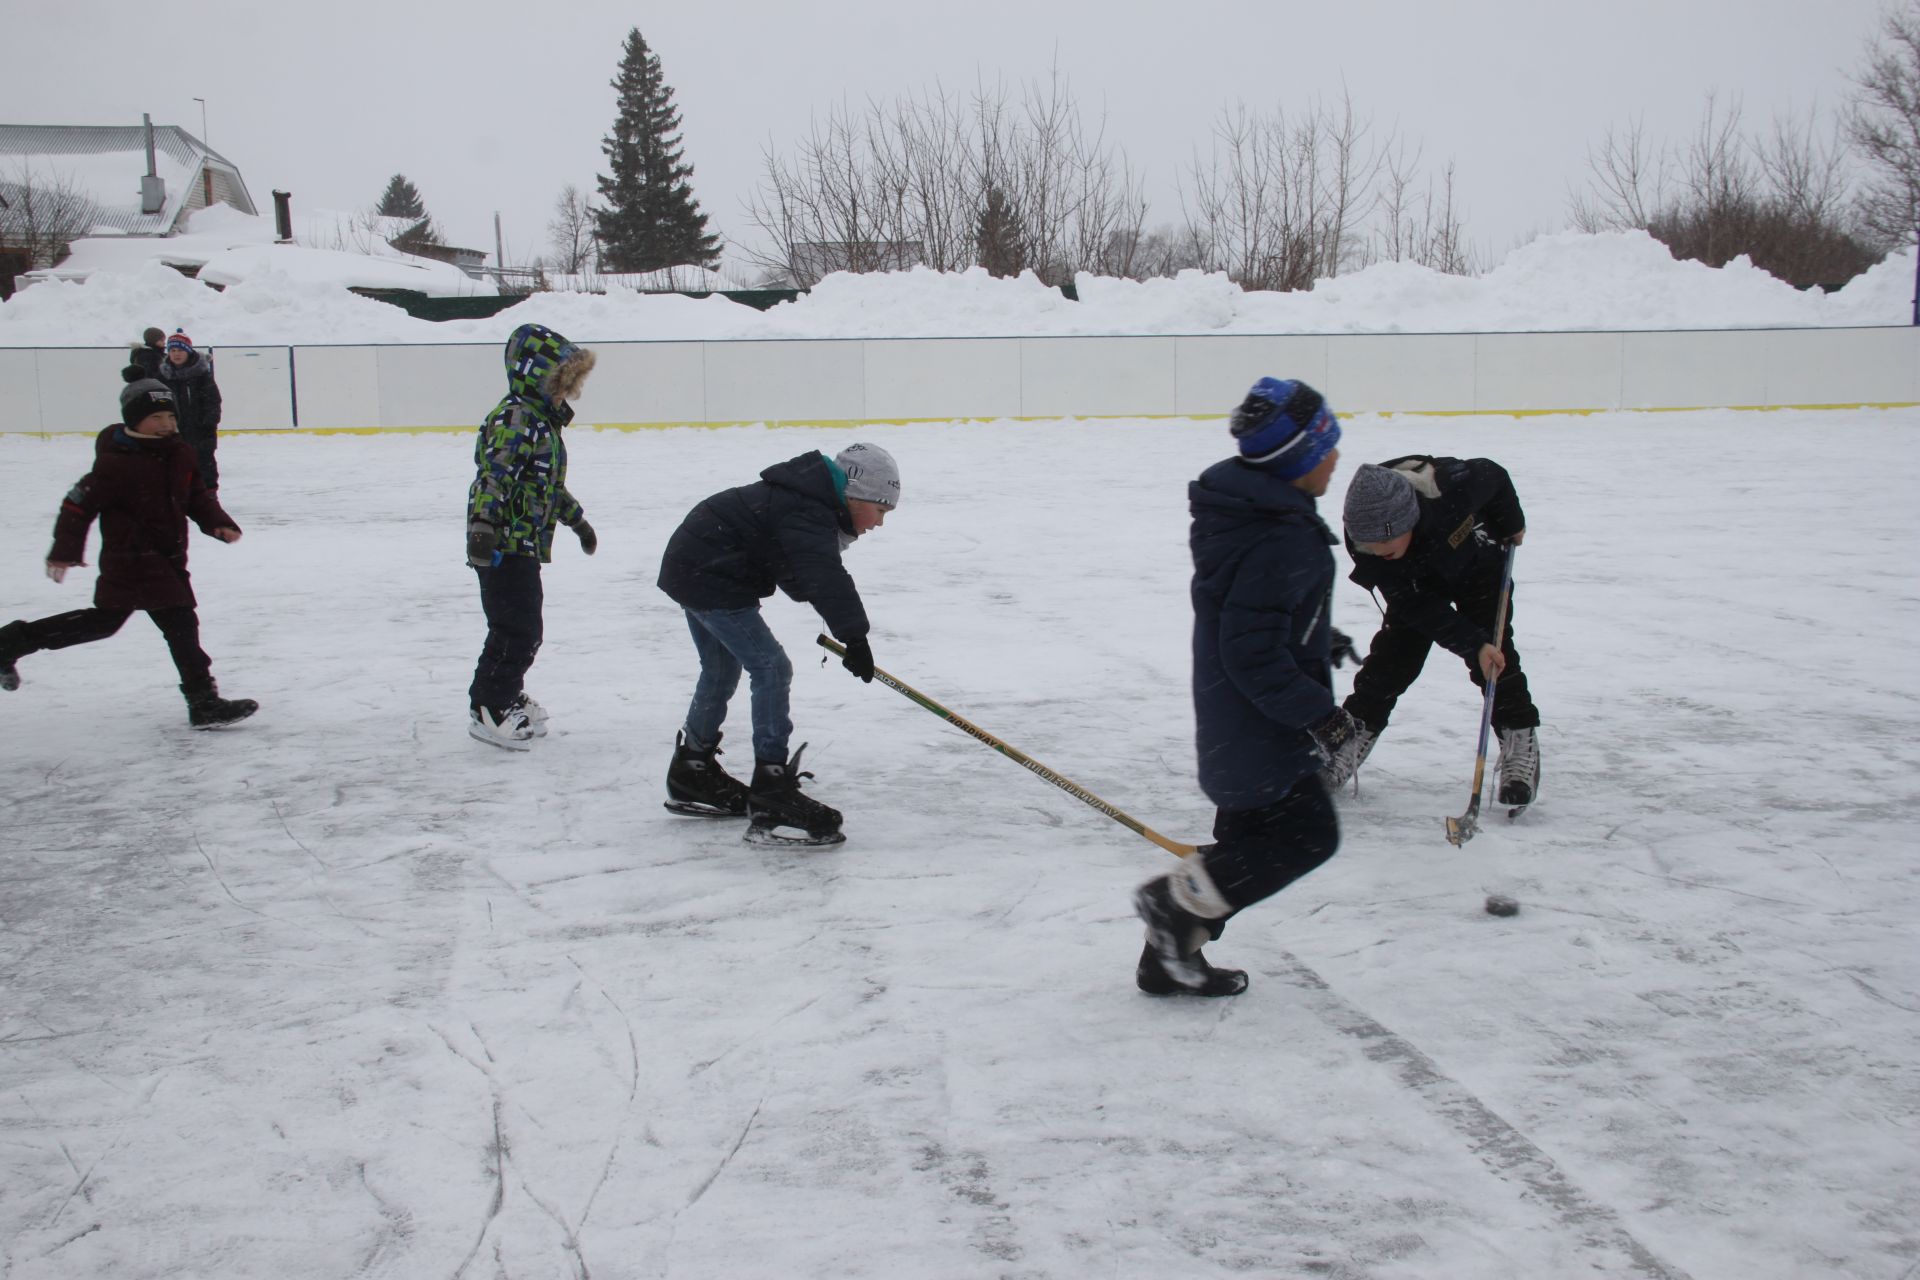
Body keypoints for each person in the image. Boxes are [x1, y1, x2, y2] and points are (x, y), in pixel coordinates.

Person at [1133, 378, 1352, 997]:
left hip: (1240, 717)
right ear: (1300, 459)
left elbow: (1257, 615)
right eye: (1328, 445)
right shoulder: (1280, 536)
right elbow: (1252, 650)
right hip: (1262, 726)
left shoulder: (1256, 516)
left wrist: (1316, 636)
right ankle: (1172, 906)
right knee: (1307, 836)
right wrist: (1320, 713)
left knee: (1243, 853)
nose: (1337, 456)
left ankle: (1166, 956)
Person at [656, 442, 900, 847]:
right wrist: (854, 636)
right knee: (771, 668)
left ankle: (692, 771)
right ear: (856, 495)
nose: (878, 524)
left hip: (695, 562)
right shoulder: (807, 509)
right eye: (880, 509)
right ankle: (772, 791)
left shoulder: (804, 500)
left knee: (721, 667)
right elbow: (822, 574)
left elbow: (802, 571)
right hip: (709, 572)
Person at [0, 372, 256, 728]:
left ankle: (12, 642)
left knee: (118, 624)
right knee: (172, 626)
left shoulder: (180, 453)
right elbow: (77, 507)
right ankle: (203, 702)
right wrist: (63, 551)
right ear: (135, 419)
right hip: (130, 561)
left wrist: (217, 523)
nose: (166, 424)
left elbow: (196, 496)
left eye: (171, 417)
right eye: (156, 418)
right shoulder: (116, 462)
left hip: (167, 559)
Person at [1322, 457, 1539, 807]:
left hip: (1478, 564)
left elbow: (1495, 475)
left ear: (1408, 519)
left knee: (1497, 660)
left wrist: (1512, 523)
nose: (1376, 552)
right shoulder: (1365, 538)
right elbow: (1416, 608)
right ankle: (1352, 735)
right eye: (1368, 546)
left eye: (1385, 543)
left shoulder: (1452, 490)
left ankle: (1519, 736)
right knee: (1392, 661)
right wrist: (1472, 644)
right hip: (1417, 585)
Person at [464, 323, 598, 750]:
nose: (565, 393)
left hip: (522, 543)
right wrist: (483, 527)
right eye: (560, 383)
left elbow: (547, 486)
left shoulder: (540, 421)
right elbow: (494, 475)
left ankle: (505, 690)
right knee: (515, 628)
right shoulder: (518, 418)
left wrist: (577, 522)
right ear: (535, 376)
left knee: (523, 626)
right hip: (502, 544)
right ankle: (490, 706)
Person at [156, 330, 223, 492]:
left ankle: (209, 494)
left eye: (180, 350)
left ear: (188, 351)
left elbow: (212, 401)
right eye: (172, 350)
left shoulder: (201, 375)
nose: (176, 354)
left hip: (200, 430)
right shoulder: (164, 376)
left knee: (204, 463)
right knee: (174, 465)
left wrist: (207, 423)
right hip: (174, 431)